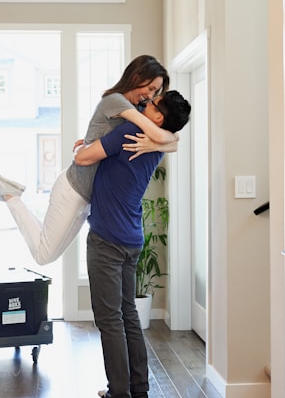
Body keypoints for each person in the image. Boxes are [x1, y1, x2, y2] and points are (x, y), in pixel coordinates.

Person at [0, 55, 180, 265]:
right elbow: (160, 133)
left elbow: (174, 141)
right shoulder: (115, 101)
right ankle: (11, 195)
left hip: (86, 198)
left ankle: (10, 194)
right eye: (150, 89)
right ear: (137, 76)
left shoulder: (138, 109)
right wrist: (158, 141)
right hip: (73, 189)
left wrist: (156, 144)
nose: (150, 96)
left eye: (155, 92)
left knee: (48, 251)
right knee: (43, 256)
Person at [73, 90, 191, 398]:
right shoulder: (161, 143)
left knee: (110, 320)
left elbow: (84, 157)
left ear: (158, 117)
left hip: (107, 239)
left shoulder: (132, 130)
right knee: (127, 315)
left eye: (151, 103)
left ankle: (119, 393)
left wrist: (81, 149)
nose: (144, 103)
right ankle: (138, 390)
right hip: (131, 237)